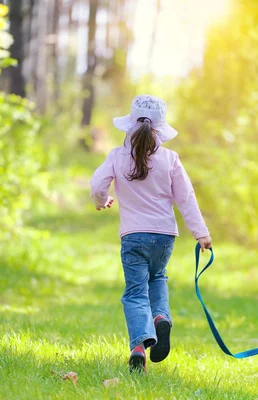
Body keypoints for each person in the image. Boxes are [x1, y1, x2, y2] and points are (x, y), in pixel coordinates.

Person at [90, 95, 212, 372]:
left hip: (133, 236)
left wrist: (102, 200)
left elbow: (98, 184)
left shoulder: (118, 155)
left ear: (130, 124)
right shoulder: (170, 159)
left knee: (135, 293)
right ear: (160, 128)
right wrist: (201, 233)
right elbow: (186, 198)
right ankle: (160, 318)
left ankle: (138, 348)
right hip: (165, 236)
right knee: (158, 279)